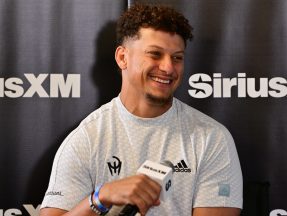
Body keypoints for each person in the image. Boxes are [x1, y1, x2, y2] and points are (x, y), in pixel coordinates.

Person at [40, 3, 243, 216]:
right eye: (155, 54)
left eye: (177, 57)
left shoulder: (212, 138)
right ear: (122, 57)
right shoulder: (87, 138)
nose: (168, 67)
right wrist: (101, 197)